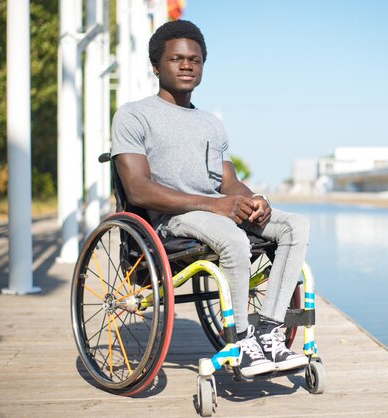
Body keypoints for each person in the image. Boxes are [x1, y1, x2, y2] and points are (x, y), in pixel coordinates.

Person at [110, 20, 309, 378]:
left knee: (295, 225)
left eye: (195, 60)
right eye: (177, 59)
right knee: (230, 234)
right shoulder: (133, 114)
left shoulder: (211, 124)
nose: (187, 65)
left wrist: (254, 200)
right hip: (170, 219)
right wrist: (215, 205)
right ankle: (242, 342)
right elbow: (138, 189)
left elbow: (228, 182)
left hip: (213, 214)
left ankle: (268, 330)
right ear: (156, 66)